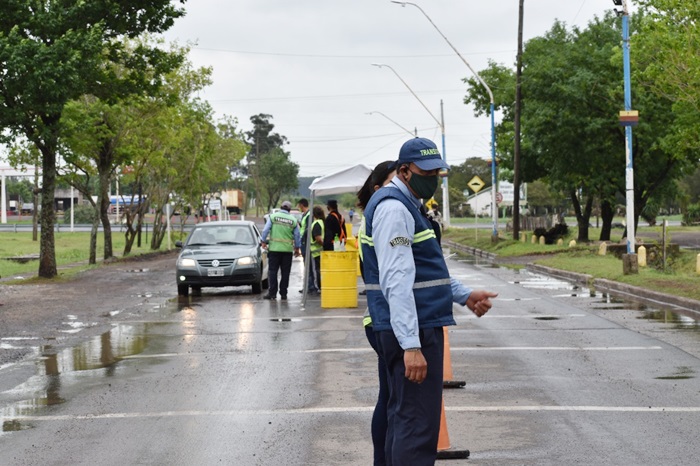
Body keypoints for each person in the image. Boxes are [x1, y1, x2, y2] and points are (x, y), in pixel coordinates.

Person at [360, 137, 498, 465]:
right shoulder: (394, 209)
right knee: (416, 426)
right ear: (405, 171)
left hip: (416, 324)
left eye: (437, 172)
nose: (433, 178)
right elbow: (397, 281)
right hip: (414, 328)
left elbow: (422, 272)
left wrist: (464, 295)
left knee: (405, 420)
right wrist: (410, 345)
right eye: (427, 172)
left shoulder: (408, 206)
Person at [356, 160, 397, 465]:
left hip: (380, 318)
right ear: (378, 187)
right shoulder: (381, 218)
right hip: (386, 319)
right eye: (395, 182)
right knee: (392, 400)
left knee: (389, 397)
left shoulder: (378, 215)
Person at [260, 200, 301, 300]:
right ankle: (283, 294)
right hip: (287, 251)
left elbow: (265, 230)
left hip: (274, 250)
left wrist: (263, 241)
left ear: (281, 207)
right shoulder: (293, 220)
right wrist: (297, 248)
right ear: (289, 210)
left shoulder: (273, 217)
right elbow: (297, 235)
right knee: (285, 273)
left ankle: (272, 294)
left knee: (273, 272)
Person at [297, 198, 319, 294]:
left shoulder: (309, 215)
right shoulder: (305, 215)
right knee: (307, 266)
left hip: (306, 242)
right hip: (303, 241)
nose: (298, 207)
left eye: (299, 205)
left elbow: (308, 228)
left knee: (309, 265)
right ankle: (308, 285)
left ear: (302, 205)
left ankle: (311, 286)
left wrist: (303, 236)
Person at [309, 206, 325, 293]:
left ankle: (320, 287)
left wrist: (324, 245)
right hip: (322, 250)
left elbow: (318, 239)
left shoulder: (316, 224)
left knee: (318, 270)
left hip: (317, 251)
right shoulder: (322, 222)